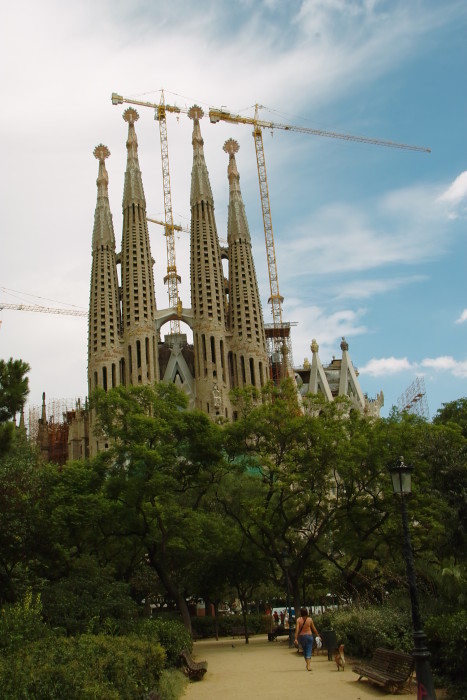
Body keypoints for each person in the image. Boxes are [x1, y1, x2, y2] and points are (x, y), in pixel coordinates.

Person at [294, 607, 320, 671]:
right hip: (309, 636)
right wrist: (318, 635)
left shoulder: (298, 620)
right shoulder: (310, 619)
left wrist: (296, 638)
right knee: (308, 650)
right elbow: (314, 629)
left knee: (305, 651)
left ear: (301, 613)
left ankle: (307, 664)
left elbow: (297, 629)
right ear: (307, 612)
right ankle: (308, 665)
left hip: (302, 637)